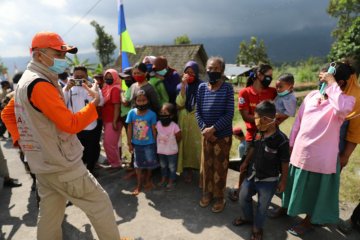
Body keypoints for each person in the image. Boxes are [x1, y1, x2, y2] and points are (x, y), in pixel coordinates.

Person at [1, 31, 120, 239]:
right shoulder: (40, 84)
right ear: (39, 55)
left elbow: (7, 114)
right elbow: (70, 124)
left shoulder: (26, 81)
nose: (63, 59)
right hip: (62, 164)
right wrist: (94, 104)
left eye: (64, 54)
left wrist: (25, 143)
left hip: (43, 164)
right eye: (58, 53)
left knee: (50, 214)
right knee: (100, 204)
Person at [282, 62, 355, 236]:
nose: (320, 81)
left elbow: (342, 108)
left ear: (341, 82)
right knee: (293, 185)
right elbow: (298, 121)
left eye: (325, 78)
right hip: (301, 152)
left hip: (321, 158)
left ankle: (308, 222)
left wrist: (332, 85)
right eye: (320, 77)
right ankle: (285, 210)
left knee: (314, 192)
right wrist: (292, 143)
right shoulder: (312, 95)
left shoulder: (345, 101)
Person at [232, 100, 289, 240]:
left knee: (262, 207)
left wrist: (283, 181)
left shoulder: (281, 140)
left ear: (265, 119)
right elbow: (252, 147)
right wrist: (245, 162)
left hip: (268, 181)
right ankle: (248, 218)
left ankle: (257, 228)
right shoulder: (259, 132)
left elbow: (285, 162)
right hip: (252, 175)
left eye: (256, 118)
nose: (255, 121)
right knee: (243, 197)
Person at [231, 64, 277, 201]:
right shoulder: (245, 93)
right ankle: (240, 189)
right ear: (258, 75)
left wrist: (265, 123)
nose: (270, 78)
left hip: (269, 136)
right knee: (245, 165)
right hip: (252, 137)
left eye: (271, 76)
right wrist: (266, 122)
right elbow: (245, 116)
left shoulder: (272, 92)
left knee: (265, 167)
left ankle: (258, 193)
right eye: (268, 75)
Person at [196, 56, 234, 213]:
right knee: (207, 166)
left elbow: (229, 114)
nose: (212, 71)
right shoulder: (202, 88)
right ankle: (207, 193)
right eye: (210, 68)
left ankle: (219, 197)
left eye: (216, 69)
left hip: (222, 137)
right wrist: (205, 129)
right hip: (206, 135)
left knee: (220, 168)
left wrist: (213, 129)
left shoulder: (227, 88)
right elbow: (198, 111)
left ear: (222, 71)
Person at [63, 66, 104, 175]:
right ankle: (81, 171)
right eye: (77, 76)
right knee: (78, 150)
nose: (79, 79)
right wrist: (66, 89)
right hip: (75, 125)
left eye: (82, 77)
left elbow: (101, 102)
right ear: (72, 76)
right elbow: (61, 102)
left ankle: (91, 169)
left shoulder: (93, 86)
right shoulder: (69, 88)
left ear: (87, 76)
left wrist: (91, 87)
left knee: (92, 149)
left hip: (91, 125)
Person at [126, 90, 158, 195]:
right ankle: (139, 184)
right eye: (139, 100)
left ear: (148, 100)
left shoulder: (152, 114)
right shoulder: (131, 113)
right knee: (138, 165)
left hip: (150, 144)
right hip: (137, 145)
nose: (141, 102)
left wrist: (156, 143)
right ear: (135, 101)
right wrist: (129, 143)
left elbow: (154, 130)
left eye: (144, 100)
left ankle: (148, 180)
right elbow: (129, 128)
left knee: (150, 164)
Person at [176, 61, 203, 183]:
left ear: (197, 74)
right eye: (187, 72)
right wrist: (183, 85)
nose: (189, 75)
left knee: (196, 145)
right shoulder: (180, 86)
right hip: (183, 118)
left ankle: (199, 169)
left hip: (196, 119)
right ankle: (187, 171)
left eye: (192, 73)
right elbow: (179, 104)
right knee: (184, 145)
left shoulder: (202, 86)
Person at [156, 103, 181, 191]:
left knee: (172, 167)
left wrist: (172, 144)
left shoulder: (174, 126)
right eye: (161, 113)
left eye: (165, 113)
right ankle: (164, 179)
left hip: (172, 151)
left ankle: (171, 181)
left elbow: (178, 137)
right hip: (161, 151)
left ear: (172, 115)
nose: (163, 115)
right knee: (163, 166)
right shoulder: (158, 124)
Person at [101, 69, 122, 169]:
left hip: (113, 120)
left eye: (111, 77)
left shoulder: (115, 89)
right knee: (112, 143)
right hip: (106, 119)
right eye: (107, 77)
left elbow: (117, 106)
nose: (108, 79)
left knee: (108, 143)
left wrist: (114, 121)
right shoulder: (106, 88)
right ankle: (115, 162)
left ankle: (116, 164)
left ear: (115, 77)